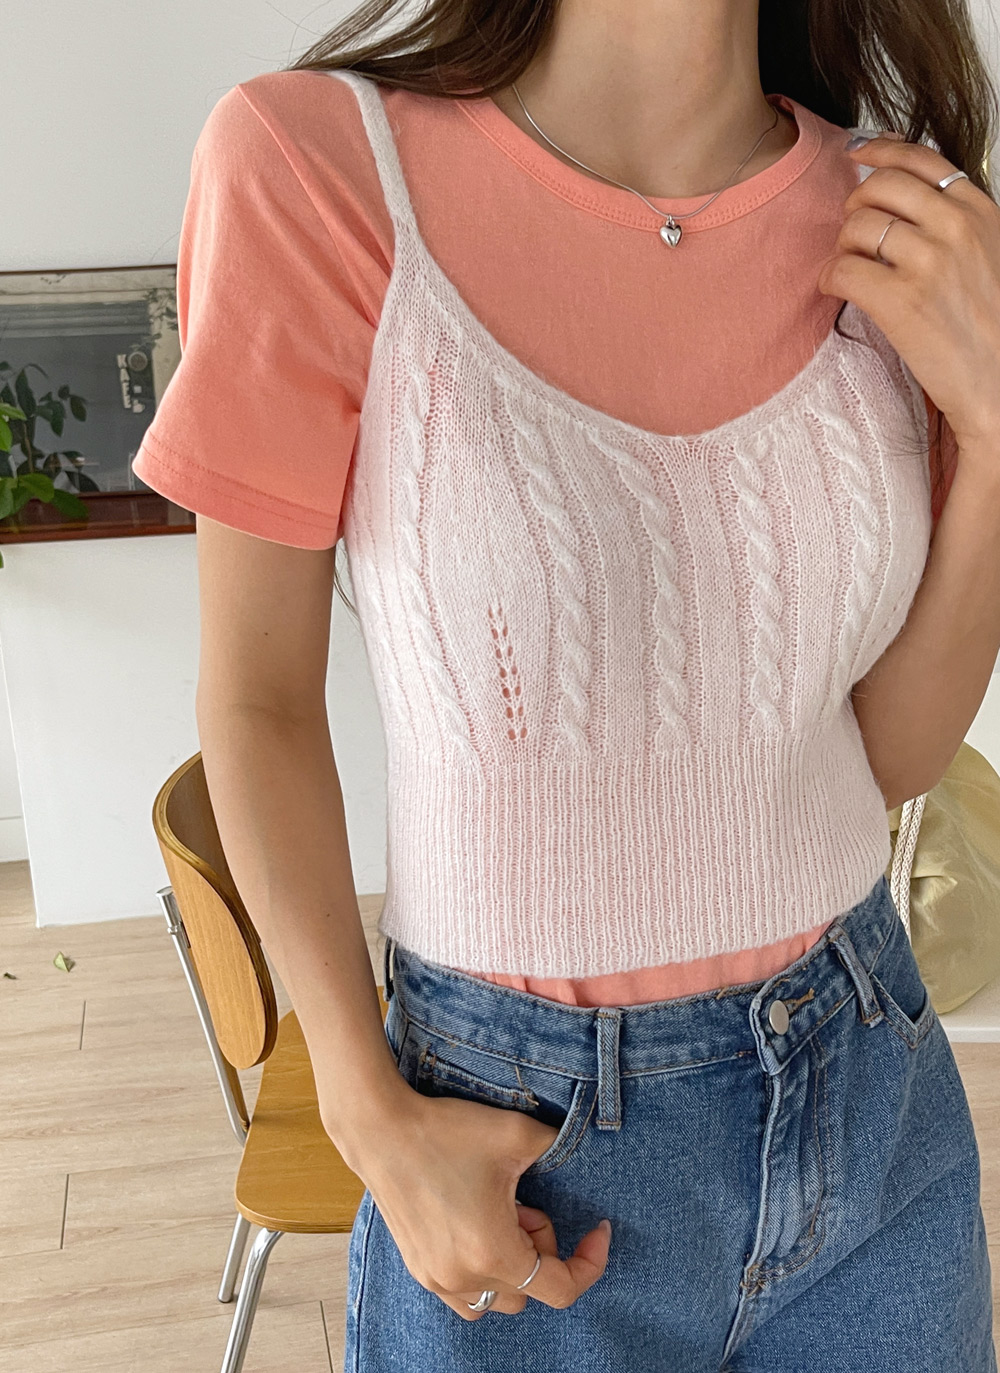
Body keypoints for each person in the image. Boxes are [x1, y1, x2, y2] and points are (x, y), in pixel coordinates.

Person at [132, 0, 1000, 1367]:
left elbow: (881, 756)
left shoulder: (905, 220)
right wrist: (367, 1112)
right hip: (516, 1150)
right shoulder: (317, 165)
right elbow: (258, 698)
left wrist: (999, 428)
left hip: (871, 1100)